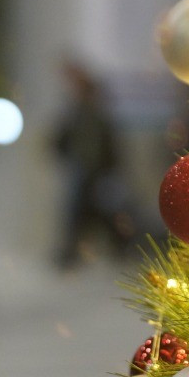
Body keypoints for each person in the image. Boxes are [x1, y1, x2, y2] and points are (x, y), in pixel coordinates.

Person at [52, 63, 124, 270]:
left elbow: (107, 143)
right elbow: (63, 137)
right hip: (82, 168)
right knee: (79, 212)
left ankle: (76, 252)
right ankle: (71, 253)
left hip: (93, 170)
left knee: (91, 211)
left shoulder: (95, 114)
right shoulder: (77, 112)